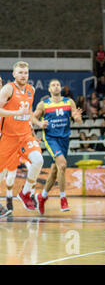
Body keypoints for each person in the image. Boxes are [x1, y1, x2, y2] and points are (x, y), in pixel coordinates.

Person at [0, 61, 46, 211]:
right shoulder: (8, 89)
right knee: (2, 175)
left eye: (25, 73)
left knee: (38, 160)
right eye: (20, 72)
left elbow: (29, 114)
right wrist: (16, 113)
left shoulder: (31, 90)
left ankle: (25, 193)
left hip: (25, 136)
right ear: (13, 74)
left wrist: (37, 124)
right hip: (8, 138)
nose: (23, 75)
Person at [33, 79, 83, 214]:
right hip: (50, 138)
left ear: (60, 88)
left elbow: (77, 118)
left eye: (57, 85)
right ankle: (63, 198)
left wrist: (78, 118)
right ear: (49, 89)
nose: (55, 87)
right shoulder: (44, 104)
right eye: (53, 85)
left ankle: (42, 196)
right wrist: (39, 124)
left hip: (64, 139)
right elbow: (33, 118)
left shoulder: (69, 101)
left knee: (55, 170)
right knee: (62, 165)